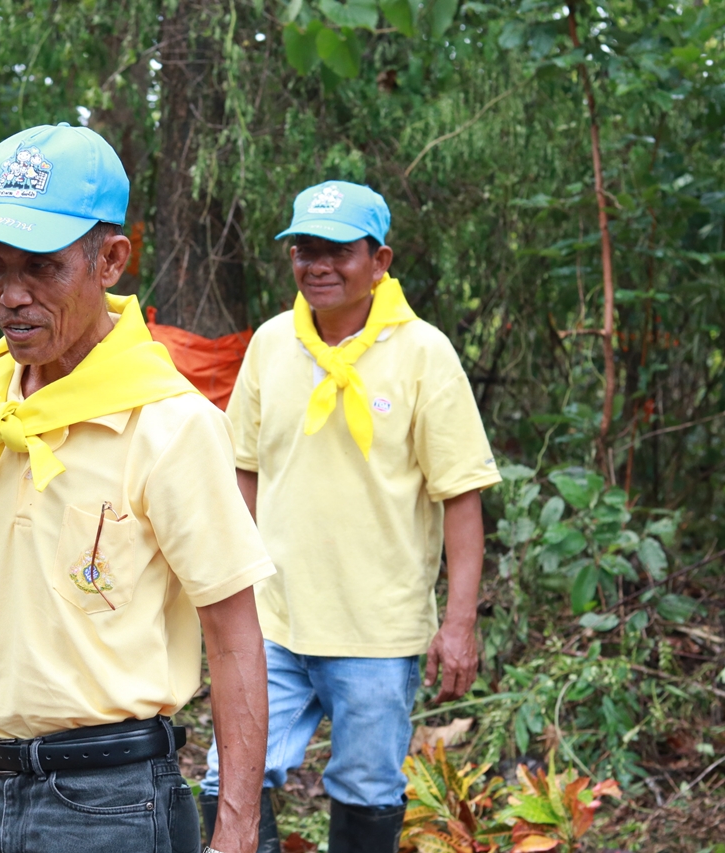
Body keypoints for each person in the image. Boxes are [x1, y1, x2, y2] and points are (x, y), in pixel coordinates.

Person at [0, 123, 275, 853]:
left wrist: (236, 833)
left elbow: (234, 635)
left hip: (117, 805)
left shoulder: (170, 424)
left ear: (110, 260)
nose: (11, 295)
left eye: (42, 268)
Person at [200, 181, 503, 853]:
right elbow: (243, 470)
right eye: (304, 250)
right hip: (273, 621)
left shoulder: (424, 354)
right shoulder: (271, 344)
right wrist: (229, 590)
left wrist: (458, 624)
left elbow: (461, 495)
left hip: (377, 631)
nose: (318, 265)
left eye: (338, 251)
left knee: (368, 791)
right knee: (228, 782)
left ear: (379, 260)